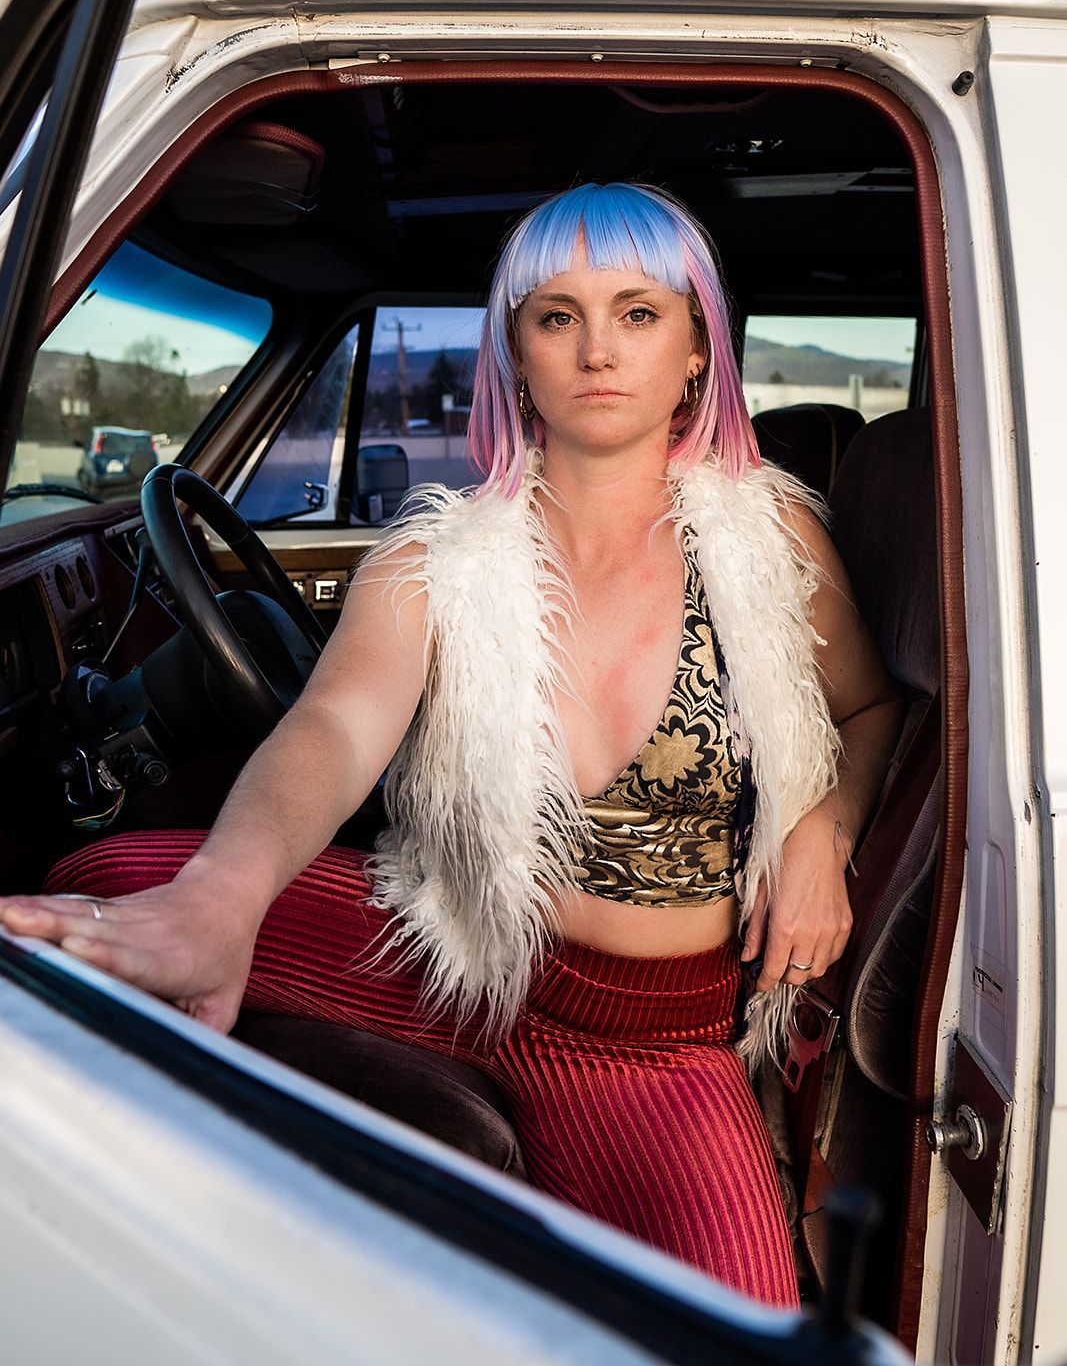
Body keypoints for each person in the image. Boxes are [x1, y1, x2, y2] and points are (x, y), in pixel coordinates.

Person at [0, 182, 902, 1307]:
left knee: (741, 1324)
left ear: (694, 351)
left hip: (653, 1038)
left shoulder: (772, 539)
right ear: (514, 353)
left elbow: (869, 711)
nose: (594, 350)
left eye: (636, 312)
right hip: (455, 963)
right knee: (101, 887)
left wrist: (825, 827)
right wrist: (223, 896)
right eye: (555, 316)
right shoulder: (436, 558)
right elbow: (331, 727)